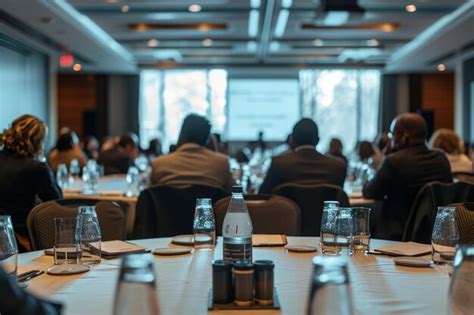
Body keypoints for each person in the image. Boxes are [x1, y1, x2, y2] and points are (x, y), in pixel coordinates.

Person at [363, 113, 452, 241]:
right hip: (435, 234)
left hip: (397, 237)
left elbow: (369, 191)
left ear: (403, 137)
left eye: (392, 135)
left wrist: (384, 158)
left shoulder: (394, 161)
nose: (391, 139)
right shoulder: (441, 158)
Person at [0, 115, 62, 251]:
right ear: (37, 142)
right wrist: (43, 161)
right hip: (22, 239)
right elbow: (57, 202)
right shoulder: (37, 167)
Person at [149, 114, 234, 193]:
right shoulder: (221, 163)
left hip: (167, 209)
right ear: (207, 140)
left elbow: (147, 200)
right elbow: (237, 196)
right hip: (210, 209)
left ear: (181, 135)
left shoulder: (158, 164)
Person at [259, 118, 346, 194]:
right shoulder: (337, 166)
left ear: (292, 140)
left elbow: (263, 195)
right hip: (323, 213)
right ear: (318, 140)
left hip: (288, 213)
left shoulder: (278, 164)